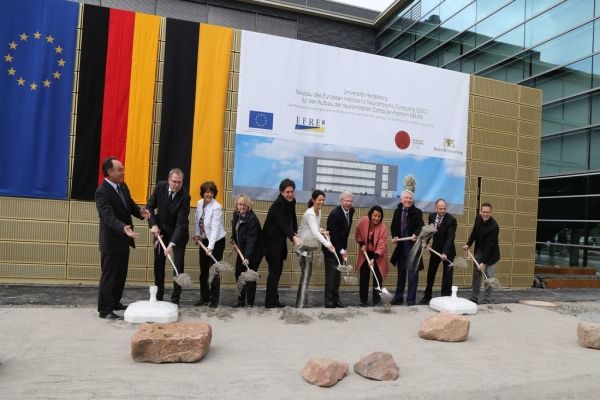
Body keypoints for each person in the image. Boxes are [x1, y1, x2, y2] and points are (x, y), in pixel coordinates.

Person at [95, 156, 148, 319]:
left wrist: (140, 212)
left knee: (120, 274)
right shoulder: (102, 192)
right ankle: (105, 309)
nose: (123, 172)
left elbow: (129, 205)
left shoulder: (122, 186)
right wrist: (122, 227)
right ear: (110, 172)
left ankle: (115, 302)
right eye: (120, 170)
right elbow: (108, 216)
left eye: (123, 169)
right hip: (111, 241)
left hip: (124, 239)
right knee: (110, 275)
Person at [145, 168, 190, 305]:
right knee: (158, 265)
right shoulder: (160, 186)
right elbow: (149, 207)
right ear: (169, 180)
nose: (176, 185)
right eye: (174, 181)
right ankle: (159, 297)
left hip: (178, 235)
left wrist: (171, 245)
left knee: (177, 266)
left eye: (179, 182)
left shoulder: (185, 197)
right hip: (160, 232)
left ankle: (175, 300)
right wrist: (153, 224)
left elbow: (181, 224)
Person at [263, 178, 303, 308]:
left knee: (277, 271)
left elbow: (293, 218)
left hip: (280, 241)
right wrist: (293, 237)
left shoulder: (291, 201)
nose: (290, 194)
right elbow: (283, 223)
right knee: (274, 272)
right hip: (270, 243)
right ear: (281, 192)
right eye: (287, 192)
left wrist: (295, 233)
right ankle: (270, 301)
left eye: (292, 191)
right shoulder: (278, 204)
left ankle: (274, 300)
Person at [295, 190, 335, 308]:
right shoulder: (310, 214)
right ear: (313, 200)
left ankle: (302, 302)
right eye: (319, 200)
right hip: (302, 247)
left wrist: (322, 230)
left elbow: (316, 229)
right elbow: (315, 232)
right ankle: (300, 303)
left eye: (323, 200)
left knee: (307, 274)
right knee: (306, 274)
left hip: (310, 246)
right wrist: (328, 244)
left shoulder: (319, 211)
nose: (321, 202)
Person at [193, 181, 226, 308]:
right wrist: (197, 235)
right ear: (203, 193)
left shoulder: (216, 207)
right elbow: (197, 221)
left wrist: (210, 247)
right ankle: (204, 297)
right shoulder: (199, 203)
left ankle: (214, 299)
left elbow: (215, 228)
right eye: (207, 192)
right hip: (204, 239)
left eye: (211, 192)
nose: (209, 194)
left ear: (214, 193)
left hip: (216, 241)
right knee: (203, 270)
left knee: (215, 271)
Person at [420, 198, 457, 305]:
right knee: (431, 273)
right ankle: (427, 296)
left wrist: (445, 252)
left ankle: (445, 298)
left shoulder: (451, 220)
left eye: (444, 208)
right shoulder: (431, 216)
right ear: (436, 208)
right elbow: (430, 231)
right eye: (440, 209)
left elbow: (450, 237)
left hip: (448, 251)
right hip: (435, 249)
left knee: (447, 276)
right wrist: (426, 242)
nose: (442, 211)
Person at [390, 190, 424, 306]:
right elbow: (393, 226)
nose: (408, 200)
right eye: (406, 198)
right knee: (401, 274)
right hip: (401, 246)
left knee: (412, 275)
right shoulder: (397, 211)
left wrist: (416, 234)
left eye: (410, 198)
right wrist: (394, 236)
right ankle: (398, 297)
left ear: (412, 200)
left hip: (413, 247)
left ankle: (411, 300)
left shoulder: (417, 212)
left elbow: (421, 226)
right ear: (401, 199)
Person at [463, 202, 500, 304]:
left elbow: (489, 246)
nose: (485, 214)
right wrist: (468, 244)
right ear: (480, 211)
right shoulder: (478, 218)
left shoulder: (494, 227)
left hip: (491, 254)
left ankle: (487, 299)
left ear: (491, 212)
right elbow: (474, 231)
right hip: (479, 250)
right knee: (476, 274)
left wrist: (483, 262)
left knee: (489, 276)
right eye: (484, 212)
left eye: (488, 212)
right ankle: (474, 297)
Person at [323, 191, 354, 308]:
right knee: (331, 276)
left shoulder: (352, 211)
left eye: (350, 201)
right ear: (341, 201)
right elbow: (334, 236)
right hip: (331, 249)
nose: (348, 203)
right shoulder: (334, 214)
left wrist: (343, 249)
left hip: (341, 247)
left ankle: (336, 300)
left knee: (338, 276)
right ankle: (329, 301)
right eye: (346, 201)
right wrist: (341, 250)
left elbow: (345, 231)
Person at [231, 194, 263, 307]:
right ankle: (240, 300)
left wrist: (247, 257)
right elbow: (235, 231)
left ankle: (250, 303)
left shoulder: (252, 219)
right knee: (238, 274)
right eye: (240, 204)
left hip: (253, 252)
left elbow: (252, 239)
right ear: (237, 205)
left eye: (244, 204)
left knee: (249, 277)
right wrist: (233, 241)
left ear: (248, 205)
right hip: (242, 250)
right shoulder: (236, 215)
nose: (242, 206)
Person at [355, 205, 389, 307]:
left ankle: (377, 301)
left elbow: (381, 246)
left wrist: (374, 259)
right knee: (364, 277)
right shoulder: (363, 221)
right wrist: (361, 243)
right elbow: (358, 233)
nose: (376, 218)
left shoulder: (382, 228)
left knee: (377, 278)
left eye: (379, 216)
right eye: (374, 215)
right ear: (370, 215)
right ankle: (363, 300)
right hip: (365, 253)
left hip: (378, 256)